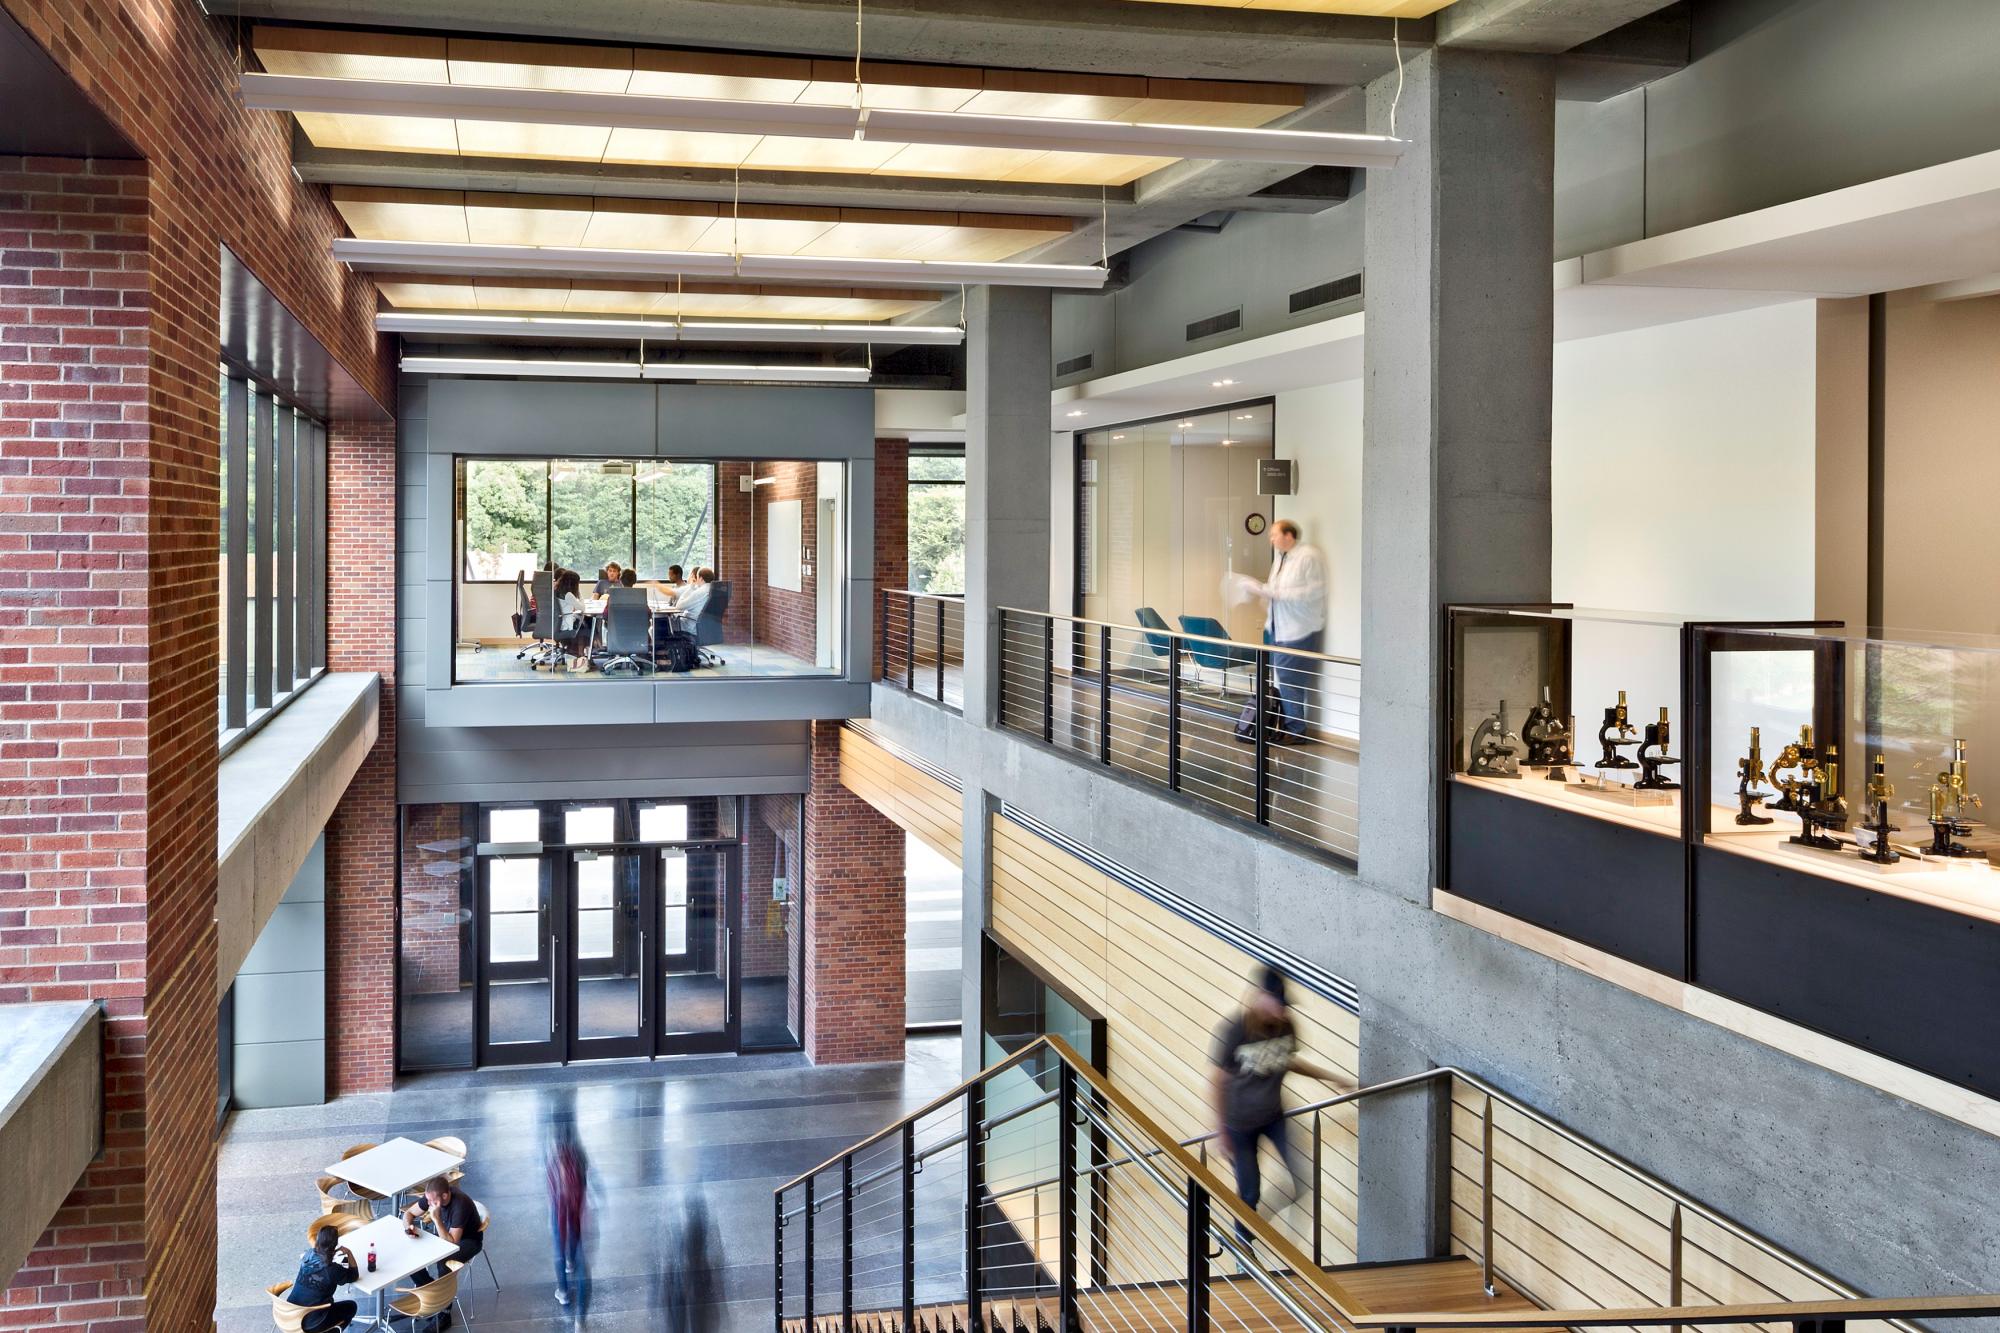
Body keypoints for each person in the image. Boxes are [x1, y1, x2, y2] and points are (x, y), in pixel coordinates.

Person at [1210, 966, 1351, 1244]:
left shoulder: (1286, 1026)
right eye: (1278, 1004)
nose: (1283, 1011)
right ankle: (1243, 1242)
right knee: (1250, 1192)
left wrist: (1332, 1078)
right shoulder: (1235, 1031)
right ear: (1261, 997)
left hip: (1274, 1117)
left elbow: (1287, 1060)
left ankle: (1256, 1224)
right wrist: (1220, 1130)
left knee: (1302, 1183)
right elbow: (1217, 1082)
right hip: (1238, 1126)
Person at [1241, 519, 1327, 741]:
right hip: (1278, 628)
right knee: (1286, 678)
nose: (1271, 540)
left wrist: (1275, 594)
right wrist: (1260, 590)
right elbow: (1277, 589)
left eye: (1274, 535)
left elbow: (1313, 592)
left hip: (1299, 629)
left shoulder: (1308, 556)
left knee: (1289, 678)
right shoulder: (1281, 558)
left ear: (1289, 536)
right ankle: (1291, 727)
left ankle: (1295, 730)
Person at [404, 1176, 483, 1321]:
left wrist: (436, 1219)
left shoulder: (460, 1205)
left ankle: (445, 1312)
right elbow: (408, 1214)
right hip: (446, 1236)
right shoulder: (432, 1197)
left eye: (433, 1201)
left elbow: (451, 1244)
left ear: (445, 1196)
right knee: (412, 1251)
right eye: (427, 1200)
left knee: (445, 1261)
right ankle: (433, 1294)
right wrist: (408, 1228)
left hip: (469, 1241)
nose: (429, 1204)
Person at [546, 1124, 591, 1319]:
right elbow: (585, 1178)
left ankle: (563, 1292)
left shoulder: (553, 1161)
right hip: (576, 1211)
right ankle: (571, 1262)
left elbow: (551, 1189)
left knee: (558, 1250)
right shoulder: (579, 1156)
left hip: (559, 1211)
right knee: (574, 1241)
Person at [285, 1225, 360, 1331]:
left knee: (327, 1301)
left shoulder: (308, 1254)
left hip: (289, 1313)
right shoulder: (332, 1269)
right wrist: (348, 1252)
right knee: (351, 1307)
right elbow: (354, 1276)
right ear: (335, 1245)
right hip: (311, 1322)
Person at [555, 569, 593, 671]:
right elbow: (582, 607)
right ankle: (583, 653)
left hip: (558, 623)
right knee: (587, 622)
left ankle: (579, 652)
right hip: (565, 624)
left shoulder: (556, 590)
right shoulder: (568, 595)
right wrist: (579, 594)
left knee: (585, 621)